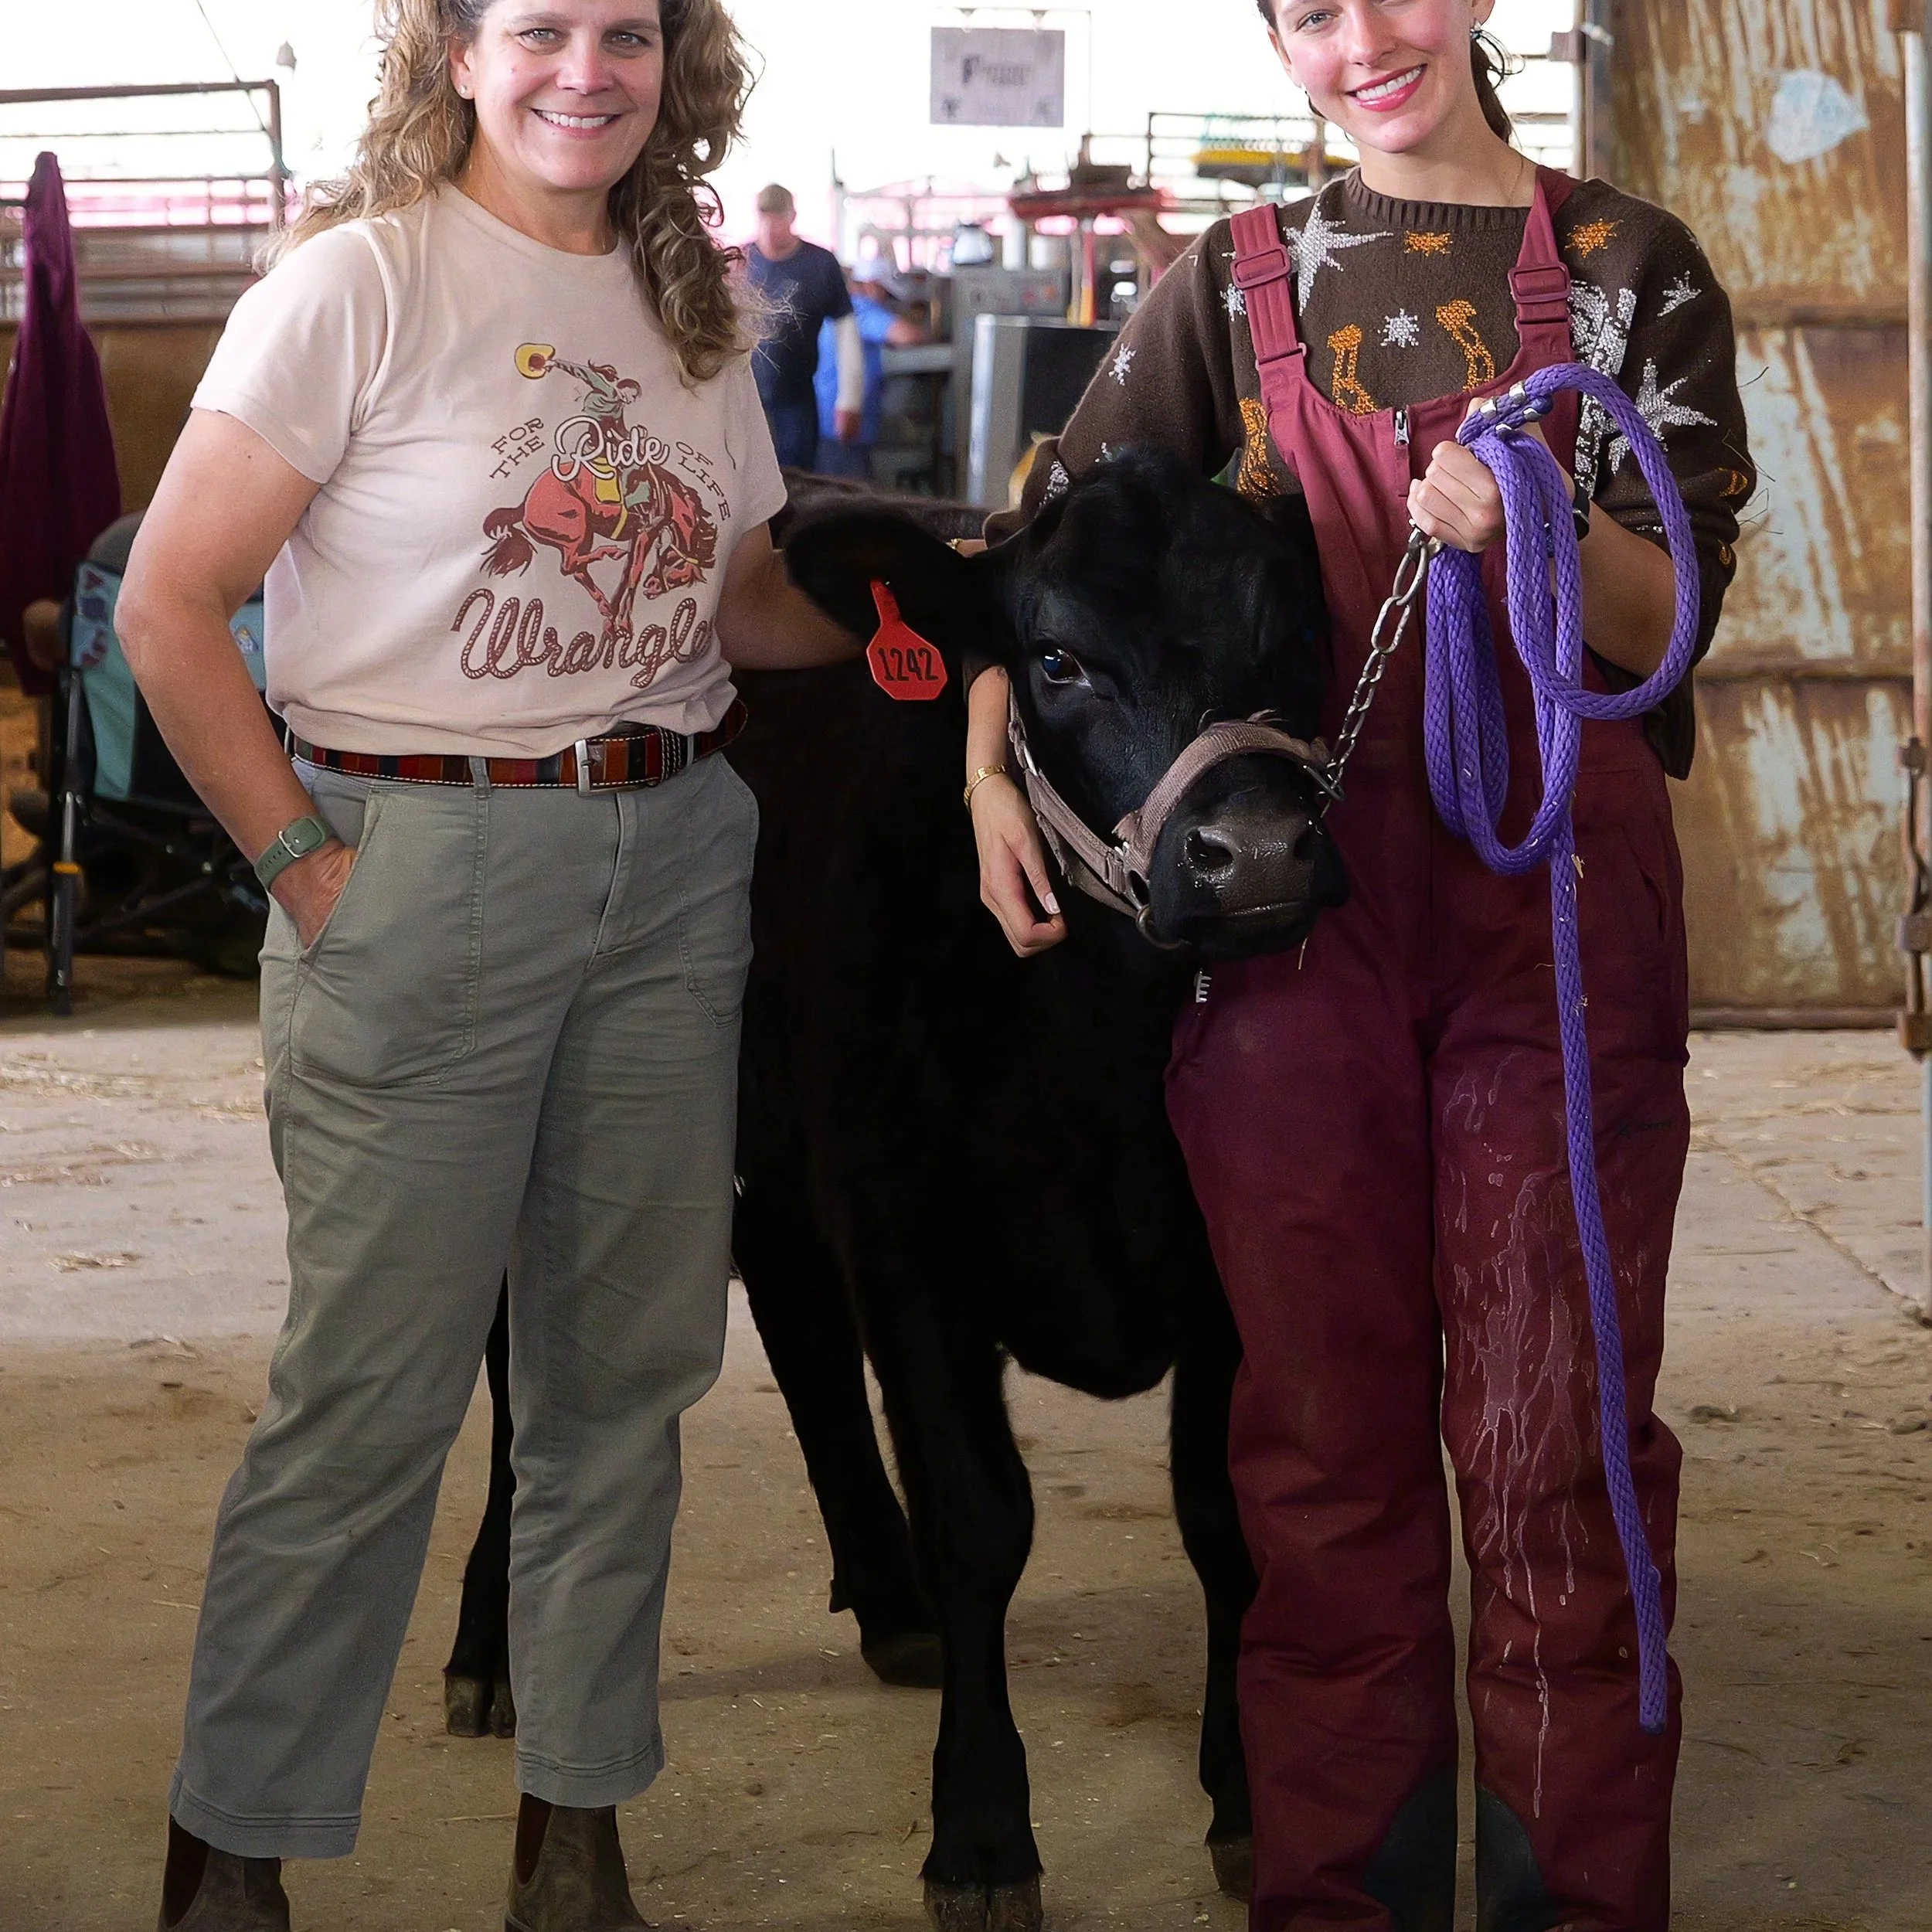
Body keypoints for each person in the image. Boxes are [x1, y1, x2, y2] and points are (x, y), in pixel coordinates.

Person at [964, 4, 1755, 1927]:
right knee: (1315, 1459)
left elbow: (1684, 604)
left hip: (1549, 912)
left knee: (1547, 1444)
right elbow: (1043, 544)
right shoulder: (1233, 289)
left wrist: (1542, 518)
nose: (1363, 37)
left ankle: (1575, 1898)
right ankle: (1345, 1900)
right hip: (1285, 928)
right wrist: (984, 754)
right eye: (1308, 9)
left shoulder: (1631, 266)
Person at [114, 4, 856, 1928]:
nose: (583, 70)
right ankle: (231, 1860)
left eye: (628, 31)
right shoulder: (355, 283)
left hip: (676, 857)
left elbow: (750, 592)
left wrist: (960, 621)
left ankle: (576, 1838)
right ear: (455, 51)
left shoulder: (692, 305)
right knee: (371, 1389)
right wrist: (307, 871)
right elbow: (172, 604)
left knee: (623, 1381)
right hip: (418, 856)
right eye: (540, 29)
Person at [744, 182, 860, 468]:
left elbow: (846, 329)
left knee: (797, 484)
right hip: (746, 399)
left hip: (796, 398)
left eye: (778, 217)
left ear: (792, 217)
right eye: (765, 217)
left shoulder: (820, 265)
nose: (771, 226)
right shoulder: (741, 262)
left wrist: (850, 399)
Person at [811, 255, 930, 480]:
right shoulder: (860, 307)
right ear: (871, 285)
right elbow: (907, 335)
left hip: (833, 420)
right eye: (885, 293)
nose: (885, 302)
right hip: (844, 424)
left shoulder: (843, 309)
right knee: (849, 497)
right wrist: (932, 334)